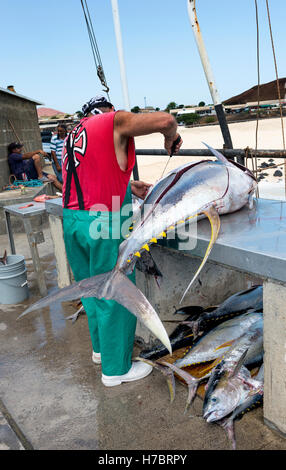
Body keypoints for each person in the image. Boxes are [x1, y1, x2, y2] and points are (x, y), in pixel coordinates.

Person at [62, 94, 182, 387]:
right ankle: (116, 371)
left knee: (90, 288)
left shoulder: (74, 134)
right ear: (110, 111)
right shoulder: (112, 121)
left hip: (73, 219)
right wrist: (172, 137)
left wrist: (128, 187)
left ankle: (101, 351)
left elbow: (90, 172)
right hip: (105, 222)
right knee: (116, 292)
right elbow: (166, 119)